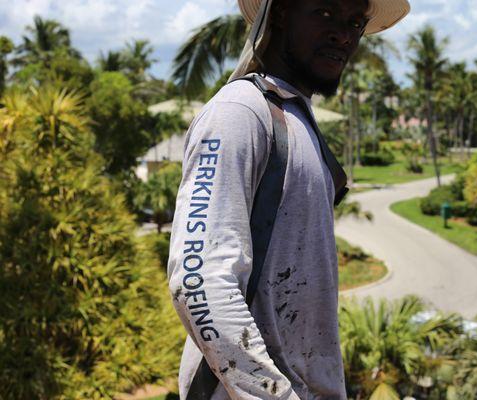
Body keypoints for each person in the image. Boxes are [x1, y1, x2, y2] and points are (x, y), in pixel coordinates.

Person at [167, 0, 410, 399]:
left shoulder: (295, 115)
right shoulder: (239, 113)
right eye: (326, 13)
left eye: (354, 22)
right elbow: (198, 279)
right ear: (280, 12)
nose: (343, 35)